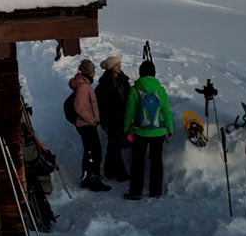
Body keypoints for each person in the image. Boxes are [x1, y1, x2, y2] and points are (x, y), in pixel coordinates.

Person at [123, 60, 173, 200]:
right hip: (158, 130)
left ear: (140, 72)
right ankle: (156, 191)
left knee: (138, 161)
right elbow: (166, 111)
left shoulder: (134, 90)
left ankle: (135, 192)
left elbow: (129, 112)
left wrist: (126, 129)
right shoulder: (160, 90)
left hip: (140, 131)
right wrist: (170, 128)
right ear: (154, 73)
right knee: (156, 160)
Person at [68, 59, 111, 191]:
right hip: (86, 124)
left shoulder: (83, 84)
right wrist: (92, 119)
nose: (94, 72)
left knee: (90, 151)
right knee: (94, 151)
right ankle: (93, 179)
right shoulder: (84, 86)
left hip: (84, 124)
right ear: (89, 72)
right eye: (93, 70)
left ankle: (87, 178)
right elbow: (79, 106)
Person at [96, 56, 131, 182]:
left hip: (123, 118)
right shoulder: (104, 85)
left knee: (113, 145)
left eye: (119, 64)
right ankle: (120, 173)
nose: (119, 66)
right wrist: (104, 122)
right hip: (111, 120)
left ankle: (109, 170)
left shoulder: (124, 81)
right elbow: (102, 105)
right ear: (110, 67)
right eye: (116, 65)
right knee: (115, 144)